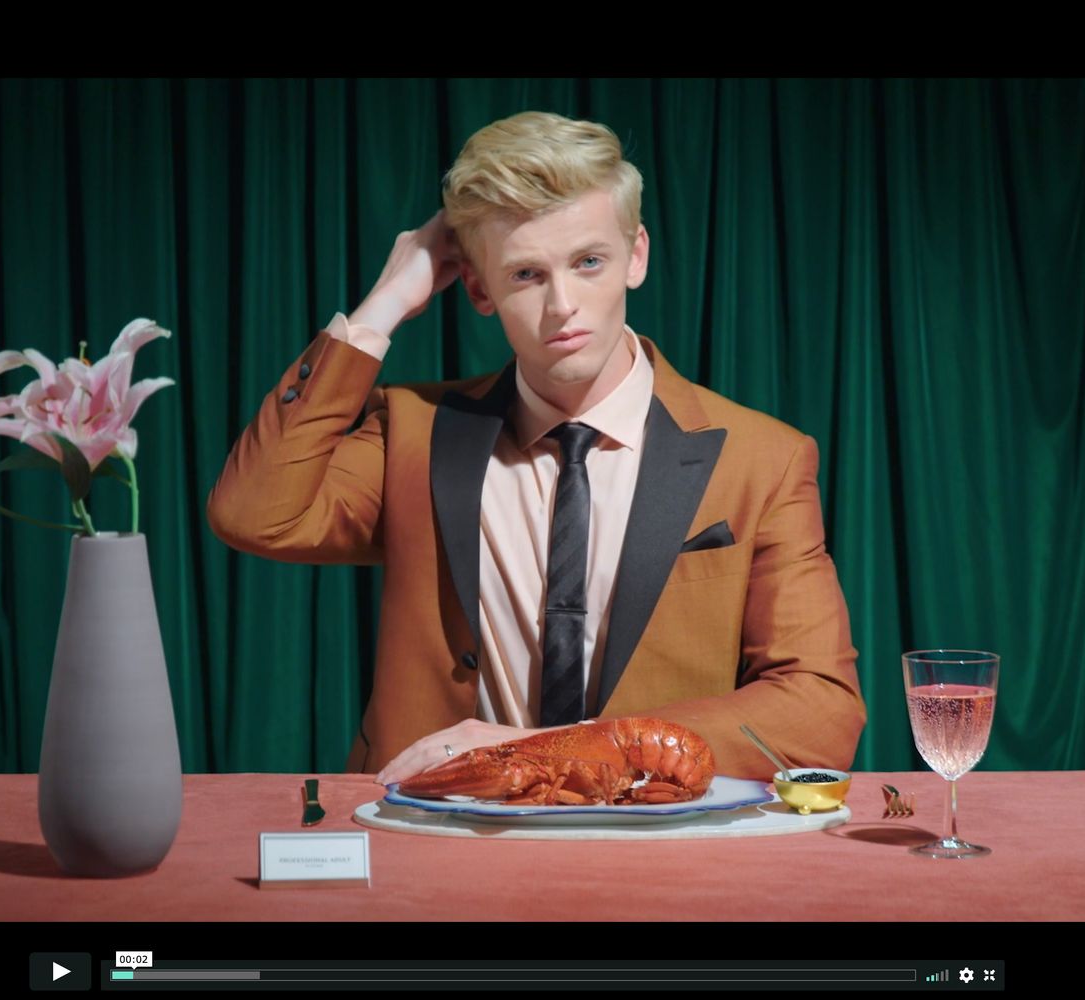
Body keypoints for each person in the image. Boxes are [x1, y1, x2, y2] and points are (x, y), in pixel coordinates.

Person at [207, 110, 864, 786]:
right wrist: (385, 304)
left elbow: (818, 708)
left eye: (588, 262)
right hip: (438, 837)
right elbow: (255, 513)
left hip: (654, 846)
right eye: (526, 275)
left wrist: (562, 748)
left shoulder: (763, 459)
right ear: (478, 289)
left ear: (636, 255)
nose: (562, 306)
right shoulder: (416, 433)